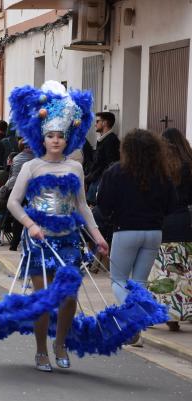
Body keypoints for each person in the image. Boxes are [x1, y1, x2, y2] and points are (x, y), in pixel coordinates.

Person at [1, 80, 108, 371]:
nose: (57, 140)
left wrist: (97, 236)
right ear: (42, 138)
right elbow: (13, 202)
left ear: (68, 137)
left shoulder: (75, 167)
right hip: (39, 241)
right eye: (51, 136)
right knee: (45, 299)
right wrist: (30, 225)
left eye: (61, 136)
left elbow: (82, 205)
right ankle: (40, 350)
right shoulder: (31, 167)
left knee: (69, 296)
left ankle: (60, 343)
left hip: (68, 239)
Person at [97, 130, 176, 330]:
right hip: (154, 232)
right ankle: (140, 317)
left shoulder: (115, 172)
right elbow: (171, 204)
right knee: (139, 281)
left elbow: (103, 204)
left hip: (125, 230)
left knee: (118, 280)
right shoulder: (162, 173)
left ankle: (135, 317)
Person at [147, 128, 192, 330]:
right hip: (185, 222)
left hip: (162, 222)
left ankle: (167, 315)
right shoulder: (190, 166)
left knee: (163, 271)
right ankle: (186, 312)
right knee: (185, 271)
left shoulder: (159, 167)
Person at [85, 112, 119, 204]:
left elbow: (110, 165)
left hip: (100, 183)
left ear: (105, 123)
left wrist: (90, 178)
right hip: (95, 180)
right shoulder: (104, 139)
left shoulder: (111, 141)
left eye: (97, 121)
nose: (95, 124)